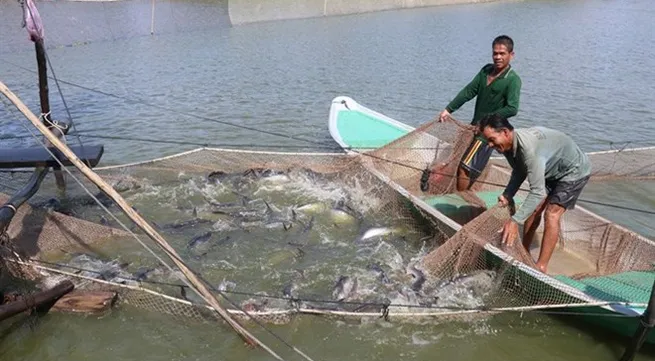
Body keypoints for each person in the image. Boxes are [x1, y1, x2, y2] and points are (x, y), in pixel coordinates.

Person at [477, 114, 591, 274]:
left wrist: (515, 221)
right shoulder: (507, 146)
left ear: (505, 132)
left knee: (551, 214)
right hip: (551, 168)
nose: (489, 145)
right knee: (534, 209)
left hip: (573, 170)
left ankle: (541, 266)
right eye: (487, 141)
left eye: (492, 139)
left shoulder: (528, 149)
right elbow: (519, 171)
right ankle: (523, 251)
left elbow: (537, 192)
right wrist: (508, 194)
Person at [435, 35, 522, 191]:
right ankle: (456, 191)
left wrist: (485, 122)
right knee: (457, 159)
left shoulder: (513, 80)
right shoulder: (486, 70)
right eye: (495, 53)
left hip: (487, 134)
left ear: (511, 55)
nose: (498, 57)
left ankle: (460, 199)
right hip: (473, 127)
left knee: (465, 166)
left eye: (502, 53)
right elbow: (469, 91)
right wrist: (449, 109)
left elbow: (512, 108)